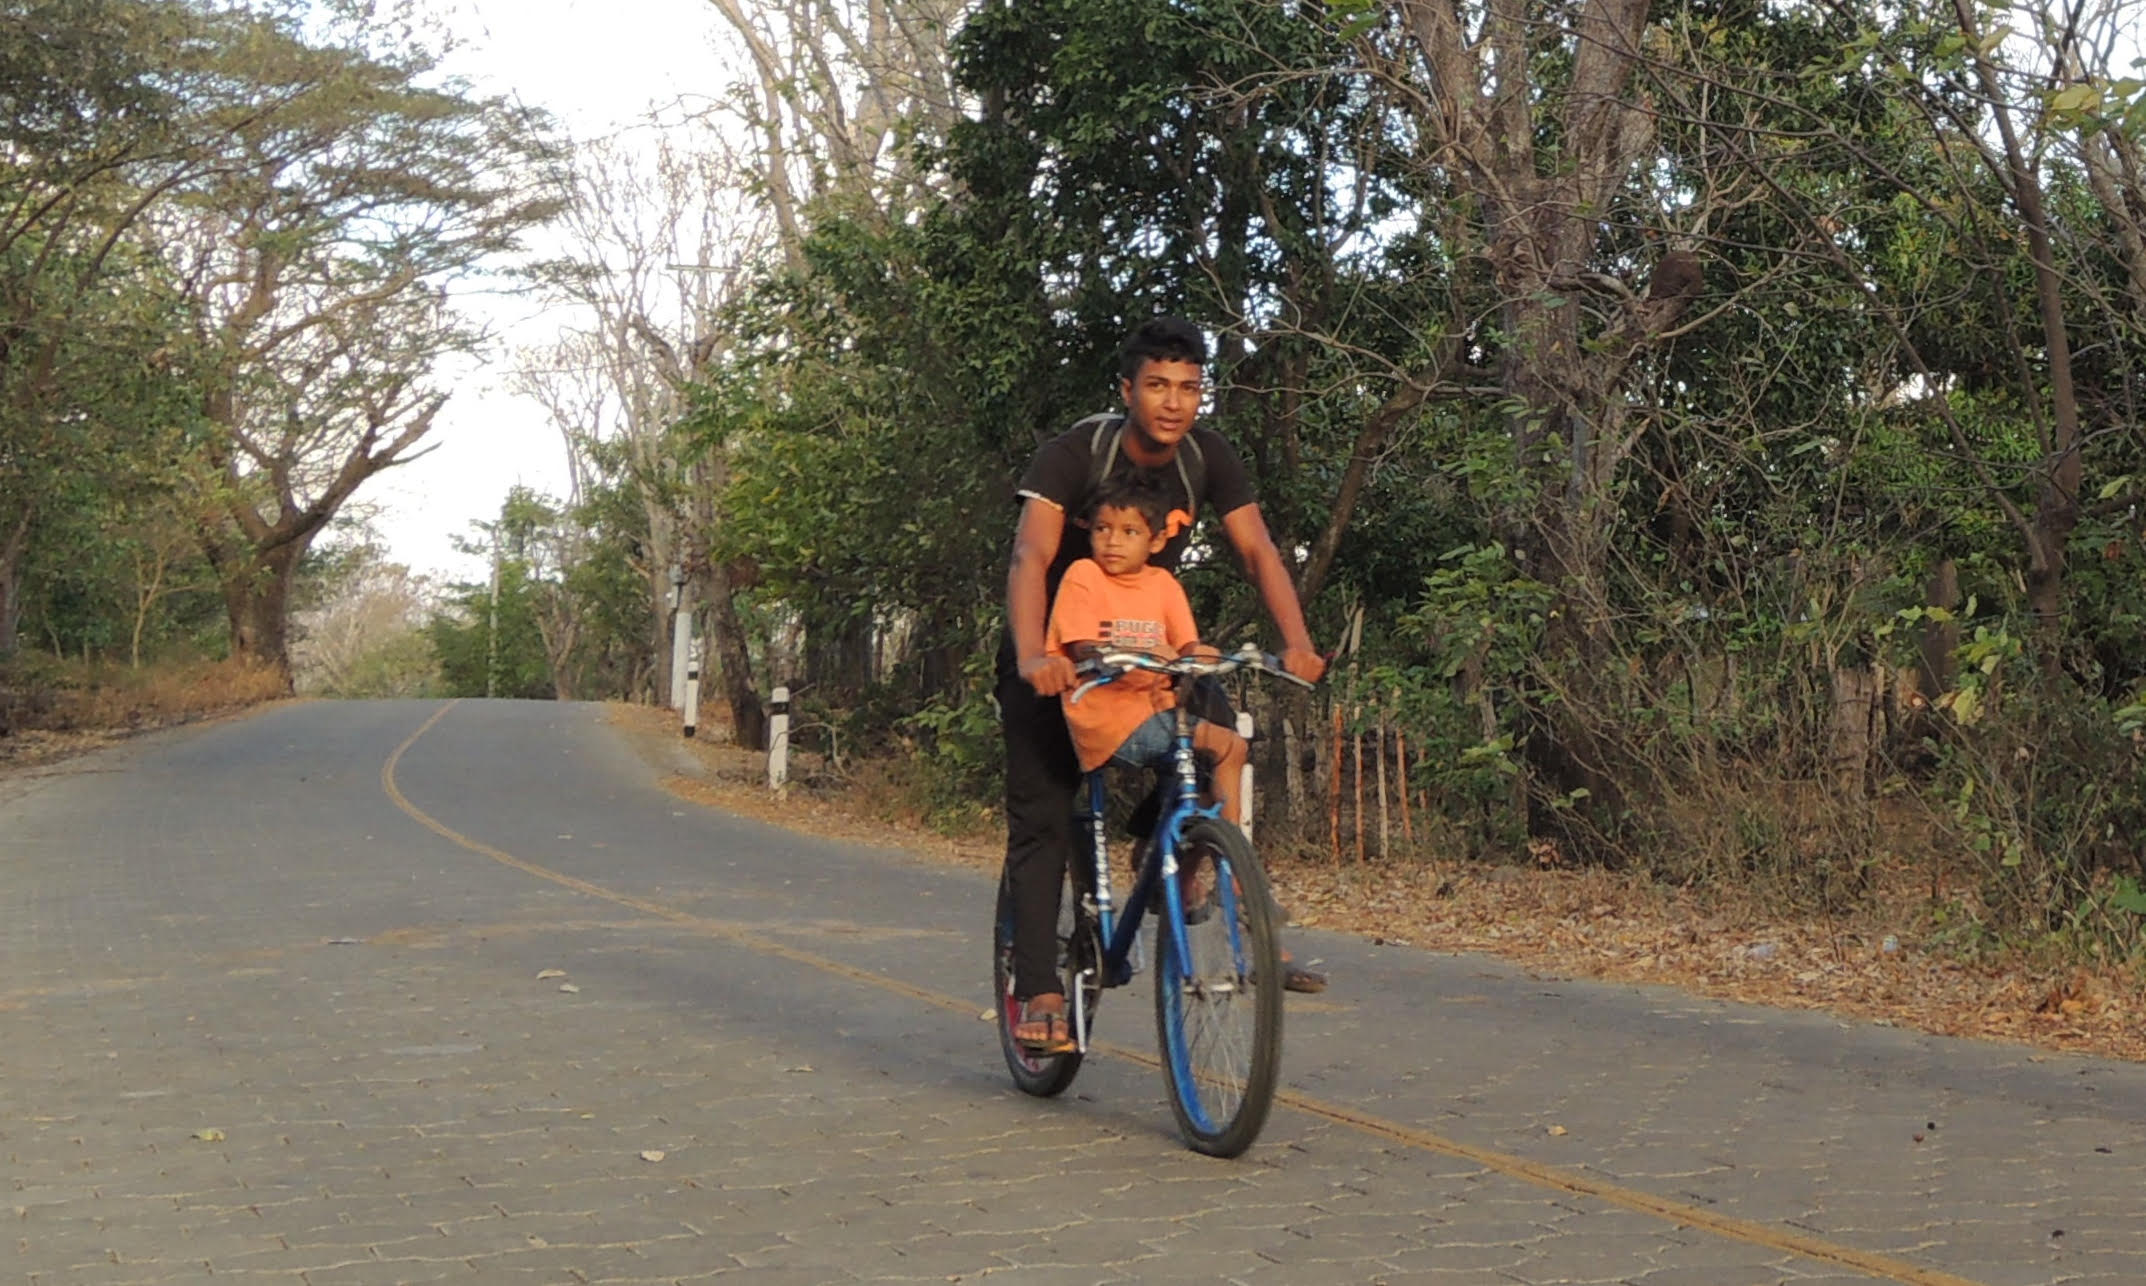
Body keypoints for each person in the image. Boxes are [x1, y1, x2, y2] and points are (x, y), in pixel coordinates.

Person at [999, 316, 1327, 1053]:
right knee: (1044, 816)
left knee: (1219, 737)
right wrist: (1033, 657)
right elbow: (1029, 557)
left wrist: (1298, 644)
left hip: (1150, 658)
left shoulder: (1207, 455)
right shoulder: (1075, 454)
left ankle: (1176, 856)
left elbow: (1257, 549)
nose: (1174, 402)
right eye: (1157, 386)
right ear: (1127, 391)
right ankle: (1041, 990)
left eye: (1188, 388)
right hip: (1056, 653)